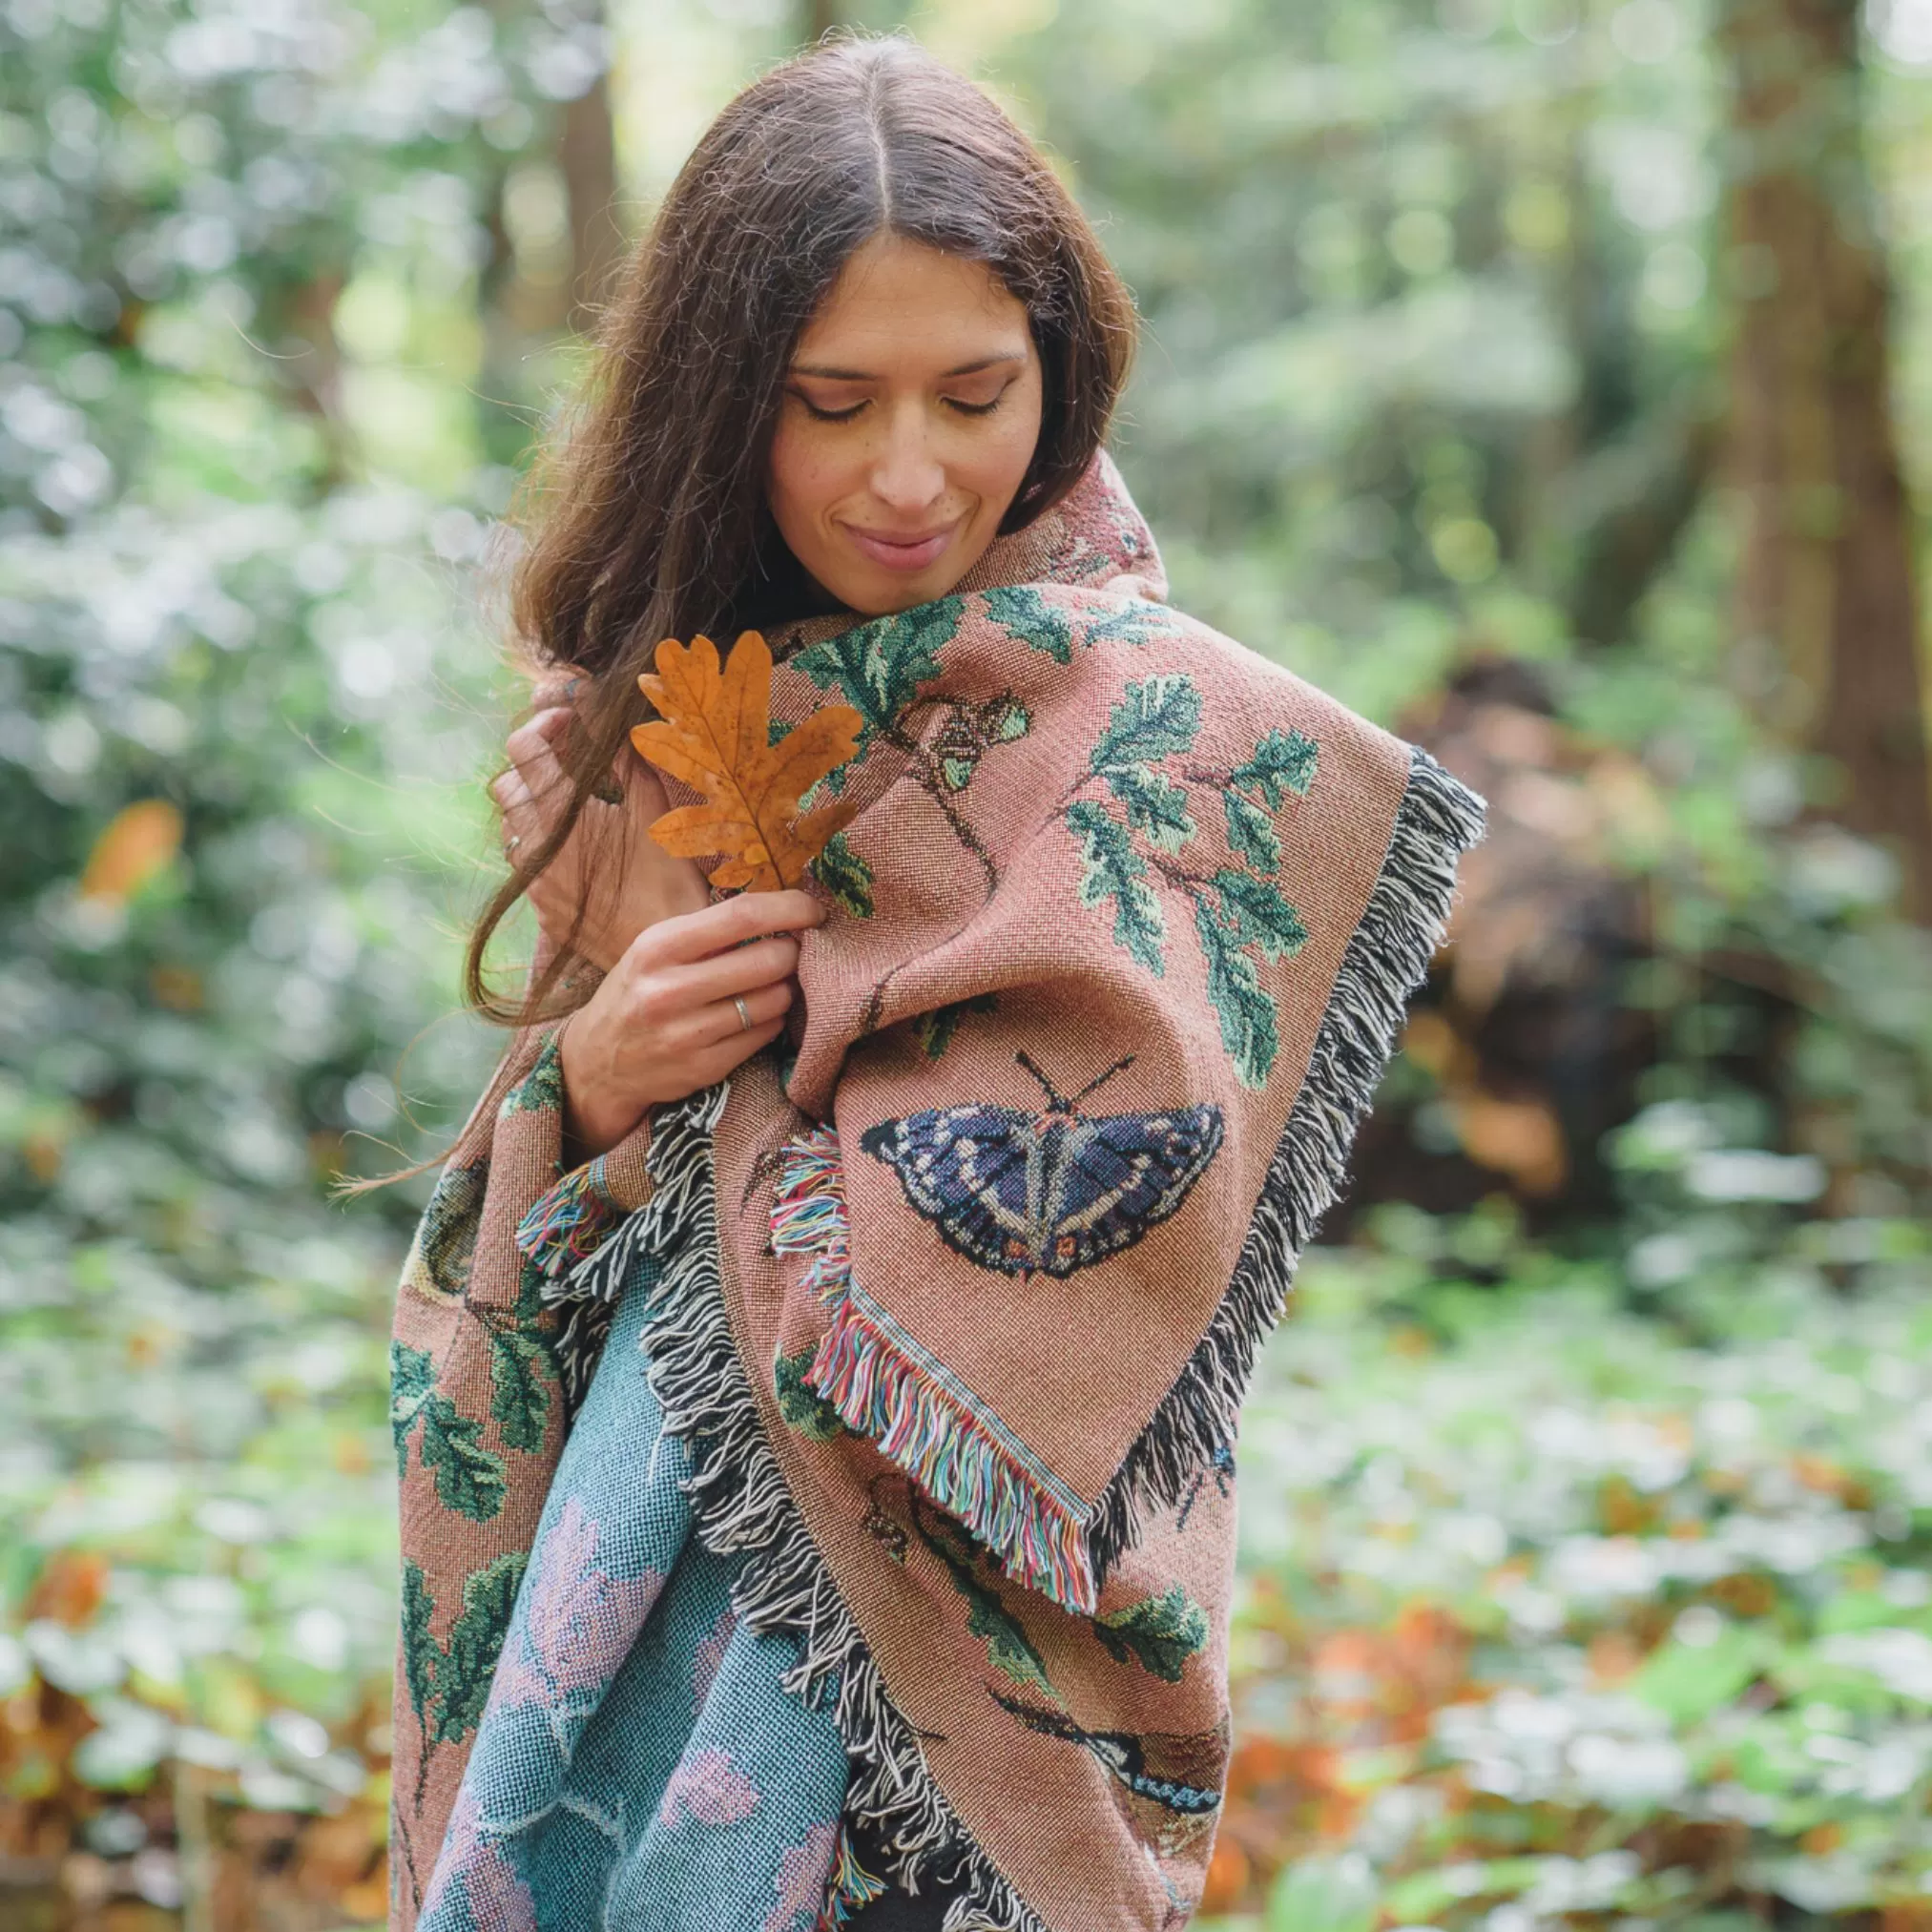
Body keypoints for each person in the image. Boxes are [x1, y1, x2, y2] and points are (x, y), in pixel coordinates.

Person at [387, 33, 1484, 1932]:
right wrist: (596, 1064)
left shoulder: (1155, 727)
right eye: (831, 403)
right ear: (723, 403)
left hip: (977, 1674)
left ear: (1060, 379)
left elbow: (1123, 1220)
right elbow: (537, 1218)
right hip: (625, 1602)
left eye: (976, 393)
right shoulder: (626, 717)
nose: (911, 475)